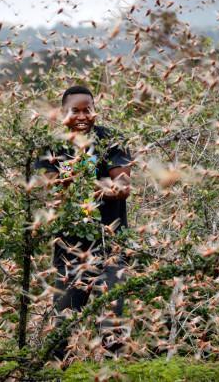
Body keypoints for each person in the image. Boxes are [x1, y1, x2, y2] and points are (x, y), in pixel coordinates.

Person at [34, 85, 132, 360]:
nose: (81, 116)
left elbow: (122, 185)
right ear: (62, 113)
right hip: (70, 250)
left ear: (95, 110)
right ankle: (58, 372)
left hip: (111, 246)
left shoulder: (111, 140)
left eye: (87, 110)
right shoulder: (52, 146)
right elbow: (49, 189)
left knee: (112, 322)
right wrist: (97, 184)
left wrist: (81, 183)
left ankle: (113, 372)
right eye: (74, 111)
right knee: (62, 327)